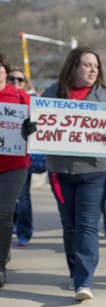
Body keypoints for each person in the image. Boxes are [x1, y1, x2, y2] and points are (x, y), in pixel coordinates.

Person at [22, 47, 106, 301]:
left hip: (95, 171)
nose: (93, 70)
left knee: (86, 226)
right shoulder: (53, 93)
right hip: (60, 172)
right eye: (86, 65)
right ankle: (76, 272)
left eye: (96, 65)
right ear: (73, 67)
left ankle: (84, 281)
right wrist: (27, 129)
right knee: (70, 226)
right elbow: (36, 129)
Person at [0, 54, 31, 288]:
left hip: (14, 164)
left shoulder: (20, 97)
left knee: (4, 213)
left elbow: (39, 127)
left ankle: (0, 263)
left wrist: (31, 128)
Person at [10, 68, 39, 246]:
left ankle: (24, 232)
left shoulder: (33, 102)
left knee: (23, 198)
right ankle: (11, 225)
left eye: (20, 80)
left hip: (23, 158)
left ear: (25, 82)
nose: (16, 82)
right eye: (11, 79)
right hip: (4, 157)